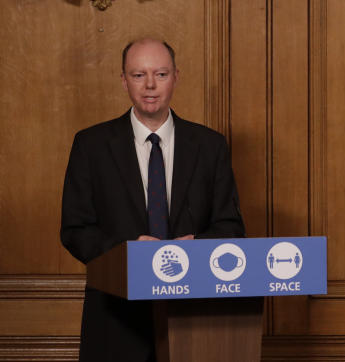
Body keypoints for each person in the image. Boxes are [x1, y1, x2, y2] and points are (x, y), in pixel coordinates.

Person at [60, 38, 245, 362]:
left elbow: (231, 226)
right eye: (138, 75)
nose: (149, 85)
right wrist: (128, 253)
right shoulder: (91, 145)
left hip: (196, 316)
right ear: (123, 80)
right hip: (115, 316)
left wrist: (199, 247)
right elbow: (75, 229)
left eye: (160, 74)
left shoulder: (210, 145)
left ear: (176, 76)